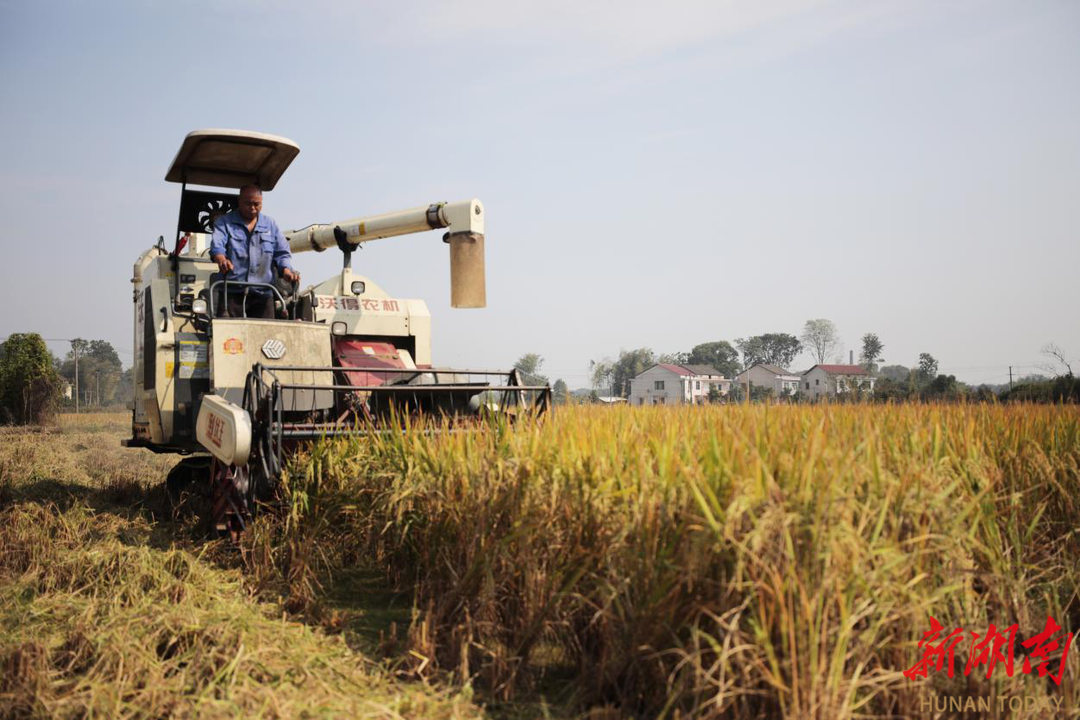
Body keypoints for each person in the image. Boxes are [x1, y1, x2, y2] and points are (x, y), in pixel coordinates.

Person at [210, 184, 300, 319]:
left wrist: (286, 269)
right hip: (232, 293)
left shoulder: (271, 225)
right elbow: (217, 247)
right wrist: (222, 260)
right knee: (229, 337)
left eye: (256, 204)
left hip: (263, 294)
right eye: (248, 204)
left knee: (266, 337)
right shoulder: (224, 223)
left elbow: (282, 252)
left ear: (262, 202)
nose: (252, 208)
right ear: (239, 201)